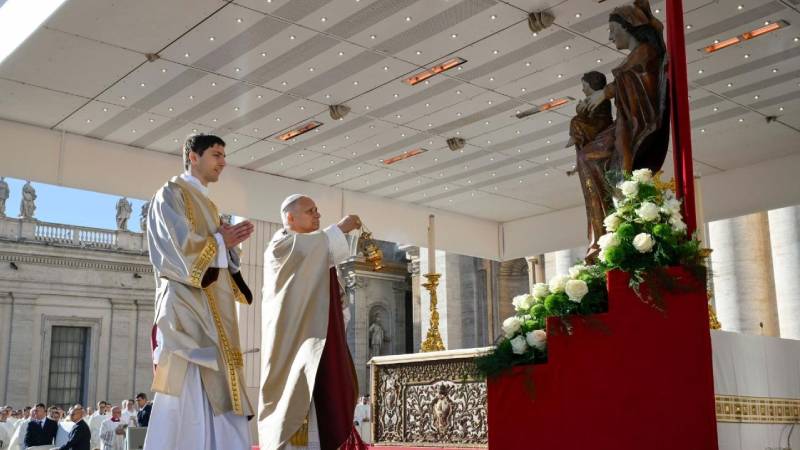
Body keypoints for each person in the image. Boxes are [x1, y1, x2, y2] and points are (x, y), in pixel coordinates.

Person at [143, 134, 255, 450]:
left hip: (215, 310)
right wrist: (220, 242)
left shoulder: (209, 204)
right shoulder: (170, 194)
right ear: (193, 157)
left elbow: (219, 258)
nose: (223, 162)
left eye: (224, 155)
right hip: (186, 309)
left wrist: (228, 247)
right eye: (217, 155)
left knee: (220, 386)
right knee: (187, 388)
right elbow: (176, 248)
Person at [258, 194, 361, 450]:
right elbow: (306, 249)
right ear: (290, 217)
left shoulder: (317, 252)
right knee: (294, 397)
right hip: (292, 341)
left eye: (317, 210)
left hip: (318, 339)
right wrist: (339, 229)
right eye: (310, 211)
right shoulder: (281, 246)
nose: (317, 215)